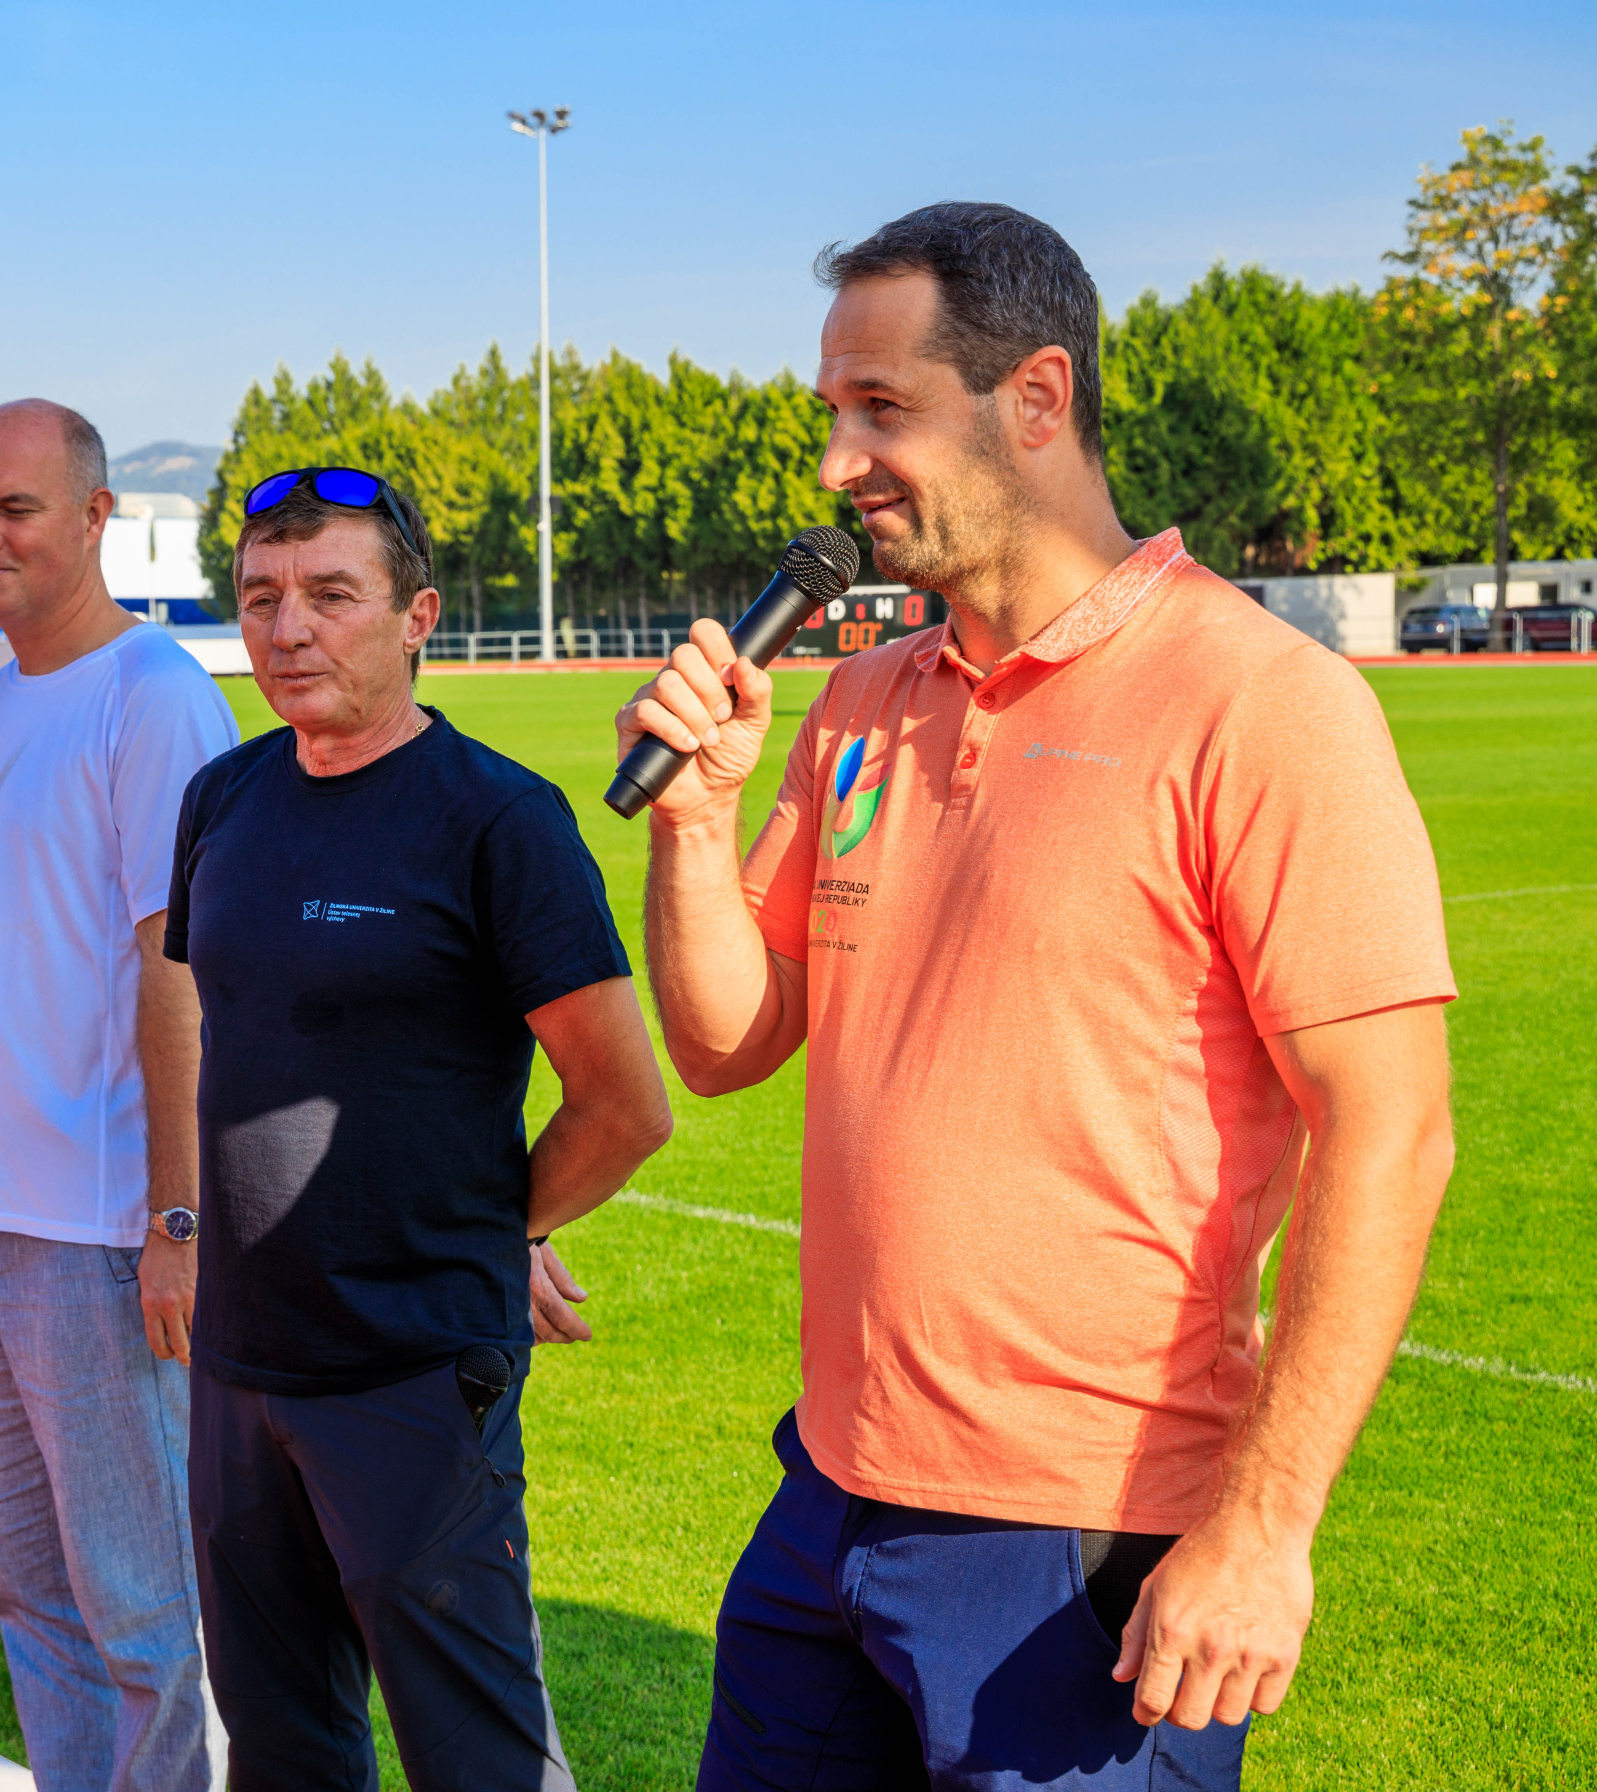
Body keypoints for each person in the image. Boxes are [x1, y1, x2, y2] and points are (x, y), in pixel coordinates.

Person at [617, 203, 1458, 1789]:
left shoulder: (1262, 702)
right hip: (830, 1494)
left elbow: (1393, 1130)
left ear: (1037, 398)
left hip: (1084, 1537)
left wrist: (1266, 1529)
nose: (836, 463)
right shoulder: (860, 700)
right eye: (831, 412)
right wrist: (696, 822)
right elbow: (726, 1046)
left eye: (882, 409)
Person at [167, 468, 673, 1790]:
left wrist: (500, 1228)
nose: (289, 629)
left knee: (475, 1754)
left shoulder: (497, 817)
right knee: (281, 1748)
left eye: (332, 594)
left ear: (418, 617)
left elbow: (625, 1106)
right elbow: (217, 1037)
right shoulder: (222, 799)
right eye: (262, 598)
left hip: (413, 1371)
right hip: (237, 1365)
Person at [0, 400, 238, 1792]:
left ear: (97, 517)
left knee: (148, 1606)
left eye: (17, 508)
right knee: (26, 1585)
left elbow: (182, 970)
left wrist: (176, 1217)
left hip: (98, 1226)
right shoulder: (0, 695)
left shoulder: (151, 694)